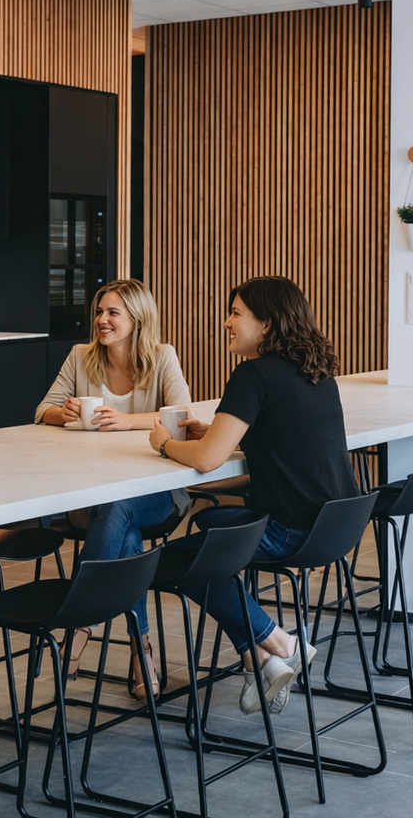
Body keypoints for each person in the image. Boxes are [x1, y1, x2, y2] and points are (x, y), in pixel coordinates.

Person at [148, 275, 359, 716]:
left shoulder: (253, 373)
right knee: (209, 527)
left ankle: (281, 642)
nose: (226, 322)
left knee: (178, 561)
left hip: (290, 531)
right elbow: (282, 436)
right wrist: (225, 432)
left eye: (236, 313)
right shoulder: (316, 371)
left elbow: (206, 460)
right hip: (336, 528)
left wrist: (164, 444)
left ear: (266, 324)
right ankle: (258, 659)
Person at [35, 278, 191, 699]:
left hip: (157, 494)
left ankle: (78, 625)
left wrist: (129, 422)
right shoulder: (80, 357)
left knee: (121, 510)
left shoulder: (162, 357)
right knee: (125, 533)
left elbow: (180, 415)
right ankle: (142, 651)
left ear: (137, 319)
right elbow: (42, 409)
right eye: (100, 311)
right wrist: (60, 411)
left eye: (112, 313)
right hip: (89, 494)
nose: (101, 320)